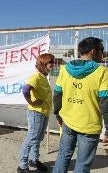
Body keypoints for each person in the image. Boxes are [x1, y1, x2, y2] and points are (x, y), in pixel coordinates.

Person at [53, 37, 108, 173]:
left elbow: (57, 95)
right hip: (89, 126)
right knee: (82, 165)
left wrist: (57, 114)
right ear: (94, 51)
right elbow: (105, 103)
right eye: (102, 51)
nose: (103, 54)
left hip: (68, 122)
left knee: (63, 156)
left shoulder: (65, 69)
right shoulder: (102, 72)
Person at [17, 53, 55, 173]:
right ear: (43, 64)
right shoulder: (36, 77)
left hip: (44, 112)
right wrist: (31, 102)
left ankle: (34, 159)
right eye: (50, 63)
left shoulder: (43, 77)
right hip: (36, 113)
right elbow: (25, 90)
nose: (52, 66)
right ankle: (22, 165)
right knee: (32, 138)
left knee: (38, 138)